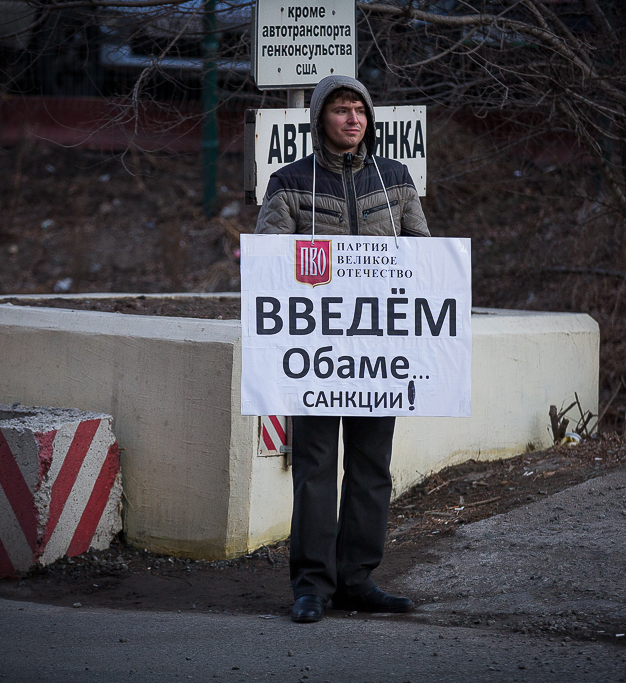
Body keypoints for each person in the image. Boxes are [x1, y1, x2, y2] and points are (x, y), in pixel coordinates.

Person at [255, 74, 430, 623]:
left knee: (372, 464)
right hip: (315, 353)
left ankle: (358, 579)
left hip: (380, 350)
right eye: (340, 110)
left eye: (360, 110)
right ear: (319, 119)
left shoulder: (396, 180)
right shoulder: (289, 183)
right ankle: (311, 585)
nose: (352, 119)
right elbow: (269, 266)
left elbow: (424, 257)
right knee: (314, 465)